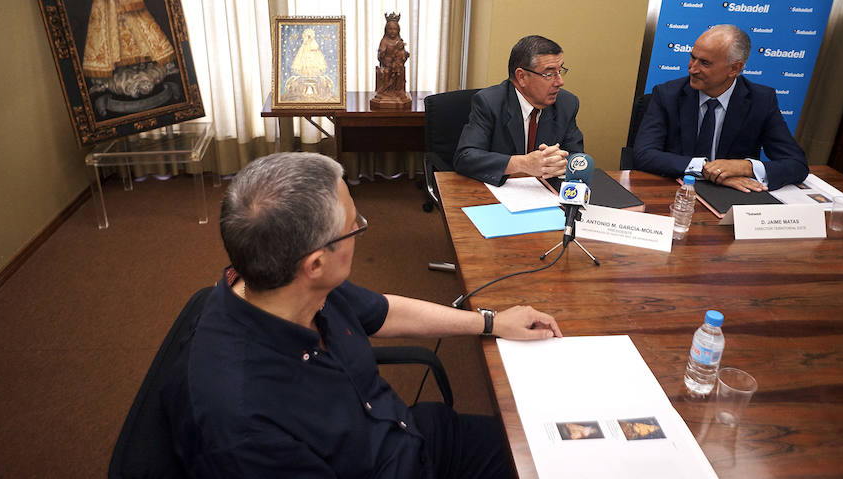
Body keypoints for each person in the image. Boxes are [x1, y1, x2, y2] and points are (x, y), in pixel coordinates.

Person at [164, 152, 562, 478]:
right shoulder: (244, 422)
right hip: (390, 464)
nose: (359, 229)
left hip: (411, 434)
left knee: (551, 452)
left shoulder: (291, 282)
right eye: (354, 226)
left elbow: (383, 312)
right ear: (316, 263)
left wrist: (491, 322)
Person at [633, 25, 808, 192]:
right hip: (678, 191)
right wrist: (707, 170)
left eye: (705, 63)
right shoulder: (667, 95)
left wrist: (745, 167)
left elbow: (797, 164)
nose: (693, 69)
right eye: (693, 58)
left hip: (734, 197)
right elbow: (644, 154)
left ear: (734, 68)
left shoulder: (760, 101)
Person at [454, 35, 584, 186]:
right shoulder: (489, 103)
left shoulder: (566, 103)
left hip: (544, 193)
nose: (560, 82)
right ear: (521, 77)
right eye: (549, 74)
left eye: (560, 70)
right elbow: (465, 158)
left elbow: (576, 157)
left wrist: (559, 162)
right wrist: (522, 163)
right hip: (498, 191)